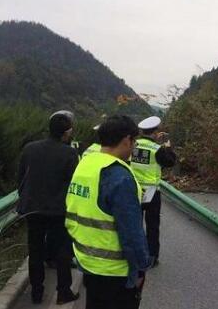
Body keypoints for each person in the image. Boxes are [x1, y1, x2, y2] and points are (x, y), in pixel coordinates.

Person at [66, 115, 152, 309]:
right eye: (134, 141)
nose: (134, 146)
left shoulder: (85, 164)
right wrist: (140, 270)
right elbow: (131, 233)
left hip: (87, 261)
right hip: (115, 272)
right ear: (126, 140)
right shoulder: (119, 176)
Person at [17, 111, 80, 305]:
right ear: (67, 132)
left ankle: (37, 292)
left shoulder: (29, 148)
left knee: (35, 250)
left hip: (32, 208)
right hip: (58, 210)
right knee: (63, 251)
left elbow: (21, 178)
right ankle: (63, 291)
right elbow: (72, 184)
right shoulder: (70, 153)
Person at [130, 116, 176, 267]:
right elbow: (170, 162)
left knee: (134, 224)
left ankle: (135, 253)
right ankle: (152, 257)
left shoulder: (132, 145)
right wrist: (168, 146)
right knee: (152, 225)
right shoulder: (157, 149)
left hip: (134, 189)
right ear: (155, 132)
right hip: (151, 192)